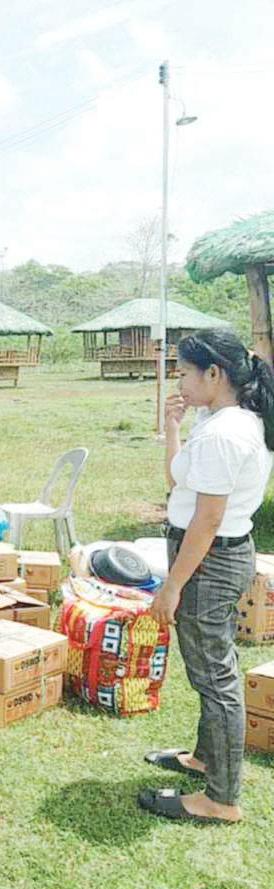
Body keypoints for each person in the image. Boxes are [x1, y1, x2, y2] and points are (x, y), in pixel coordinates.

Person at [139, 329, 274, 825]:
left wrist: (172, 585)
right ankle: (204, 758)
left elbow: (208, 519)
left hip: (209, 560)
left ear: (214, 373)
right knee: (210, 667)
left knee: (215, 678)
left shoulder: (223, 433)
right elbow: (179, 482)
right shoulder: (225, 421)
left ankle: (221, 799)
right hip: (216, 556)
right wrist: (173, 427)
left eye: (183, 371)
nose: (178, 380)